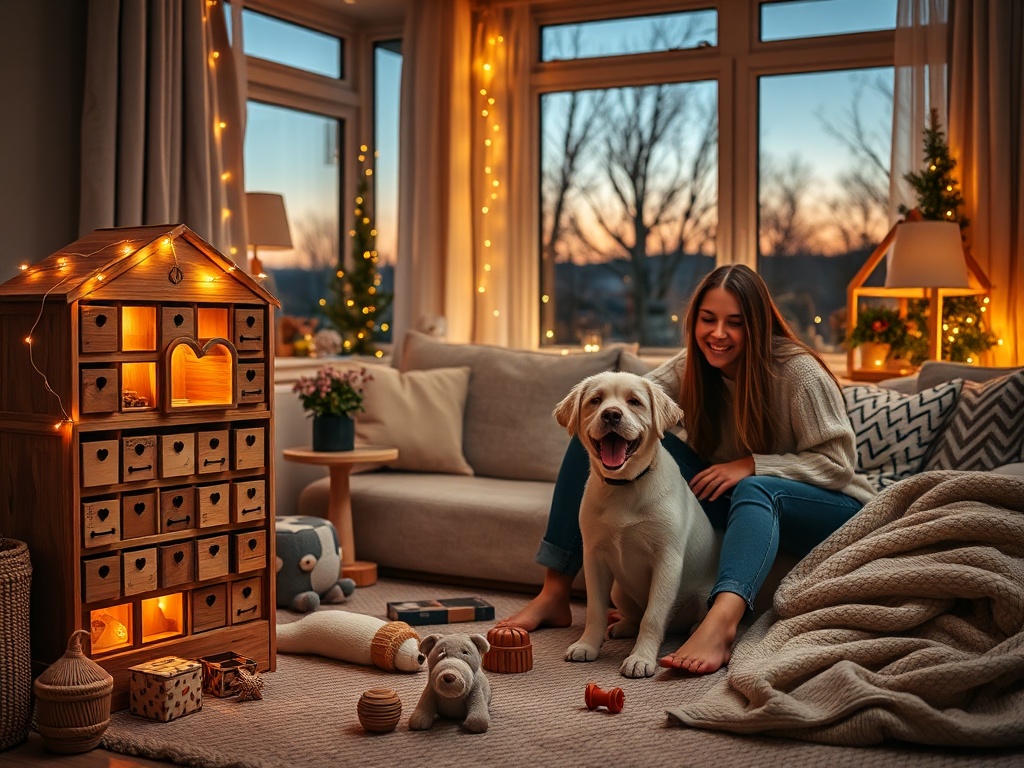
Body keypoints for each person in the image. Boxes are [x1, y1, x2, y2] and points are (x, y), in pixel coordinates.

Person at [501, 264, 876, 674]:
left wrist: (750, 466)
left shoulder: (798, 372)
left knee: (758, 488)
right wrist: (605, 411)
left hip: (826, 505)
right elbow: (632, 404)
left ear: (760, 323)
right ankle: (554, 591)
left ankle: (720, 623)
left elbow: (838, 464)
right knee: (600, 429)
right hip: (737, 494)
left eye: (735, 323)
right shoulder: (692, 365)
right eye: (708, 320)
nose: (718, 334)